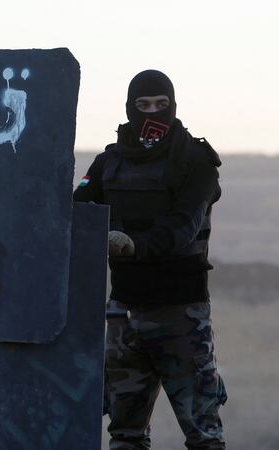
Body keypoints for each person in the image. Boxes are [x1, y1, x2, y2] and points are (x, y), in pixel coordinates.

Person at [74, 70, 227, 449]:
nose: (152, 114)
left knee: (203, 434)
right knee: (125, 434)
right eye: (143, 106)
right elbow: (75, 210)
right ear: (129, 109)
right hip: (124, 314)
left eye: (161, 105)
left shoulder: (196, 161)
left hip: (181, 317)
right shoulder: (107, 163)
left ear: (173, 107)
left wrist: (133, 245)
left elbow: (182, 228)